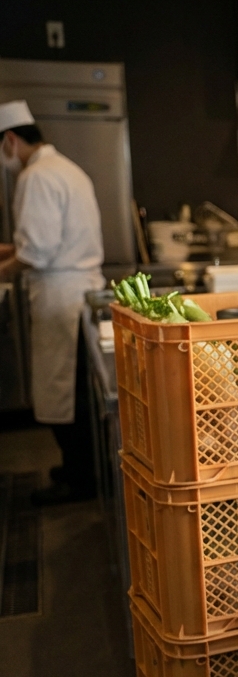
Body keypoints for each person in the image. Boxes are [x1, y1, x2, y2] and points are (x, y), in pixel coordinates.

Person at [0, 100, 105, 505]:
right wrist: (12, 251)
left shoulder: (36, 176)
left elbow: (37, 252)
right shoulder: (67, 169)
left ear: (10, 140)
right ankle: (80, 472)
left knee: (65, 394)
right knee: (76, 391)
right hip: (80, 291)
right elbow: (49, 241)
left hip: (60, 296)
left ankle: (80, 481)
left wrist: (6, 268)